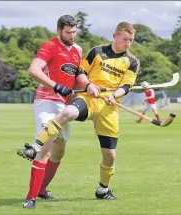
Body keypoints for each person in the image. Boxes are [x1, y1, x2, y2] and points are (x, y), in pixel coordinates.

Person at [22, 21, 140, 209]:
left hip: (109, 107)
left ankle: (103, 190)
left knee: (110, 155)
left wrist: (114, 95)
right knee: (68, 112)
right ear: (115, 36)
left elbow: (126, 86)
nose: (128, 43)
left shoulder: (132, 62)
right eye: (125, 39)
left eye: (131, 40)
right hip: (89, 98)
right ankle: (36, 145)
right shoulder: (97, 51)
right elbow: (81, 72)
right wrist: (89, 85)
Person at [18, 15, 82, 206]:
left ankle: (42, 189)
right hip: (46, 101)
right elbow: (34, 70)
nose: (72, 36)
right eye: (68, 32)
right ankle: (31, 198)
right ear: (59, 30)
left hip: (66, 106)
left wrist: (92, 87)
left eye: (74, 32)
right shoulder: (50, 46)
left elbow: (80, 78)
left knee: (59, 151)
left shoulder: (78, 50)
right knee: (46, 148)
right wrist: (55, 86)